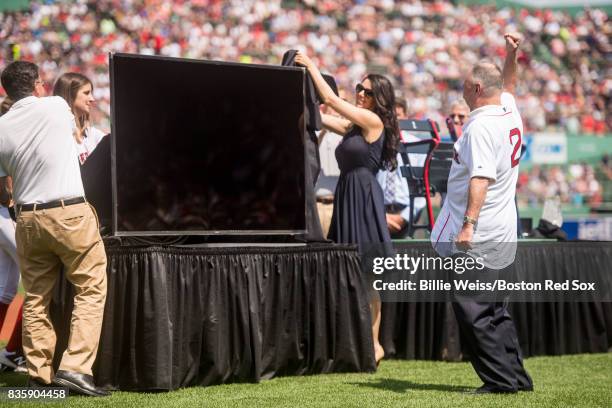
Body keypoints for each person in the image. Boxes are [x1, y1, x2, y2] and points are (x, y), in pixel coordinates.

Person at [430, 33, 533, 393]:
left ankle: (501, 382)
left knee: (473, 311)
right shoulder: (508, 109)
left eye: (463, 86)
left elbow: (480, 178)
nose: (460, 91)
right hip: (503, 231)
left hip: (481, 234)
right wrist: (511, 55)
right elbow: (510, 84)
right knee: (496, 311)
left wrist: (467, 227)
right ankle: (517, 377)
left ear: (476, 88)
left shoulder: (480, 126)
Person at [0, 61, 109, 396]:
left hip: (28, 218)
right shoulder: (56, 105)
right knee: (90, 288)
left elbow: (5, 186)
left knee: (35, 297)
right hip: (68, 212)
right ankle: (75, 369)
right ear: (37, 85)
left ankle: (39, 375)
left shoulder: (1, 126)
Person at [295, 51, 399, 365]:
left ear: (379, 98)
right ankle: (363, 343)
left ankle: (375, 344)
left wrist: (311, 64)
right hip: (348, 194)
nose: (361, 94)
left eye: (367, 91)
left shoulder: (372, 121)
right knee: (355, 271)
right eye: (359, 88)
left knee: (368, 275)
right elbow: (322, 115)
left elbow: (329, 99)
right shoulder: (355, 127)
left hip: (363, 196)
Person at [0, 97, 26, 373]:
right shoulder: (7, 133)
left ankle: (10, 352)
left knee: (6, 288)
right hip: (5, 215)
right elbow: (6, 190)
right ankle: (14, 349)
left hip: (3, 217)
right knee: (41, 278)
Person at [377, 97, 425, 238]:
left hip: (411, 216)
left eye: (398, 116)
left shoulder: (417, 146)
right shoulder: (376, 144)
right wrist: (380, 216)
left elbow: (422, 188)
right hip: (380, 215)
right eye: (390, 116)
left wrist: (403, 217)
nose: (394, 120)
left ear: (406, 116)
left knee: (412, 259)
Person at [53, 73, 106, 164]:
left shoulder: (92, 134)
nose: (92, 99)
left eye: (91, 93)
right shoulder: (56, 137)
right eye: (86, 93)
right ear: (70, 95)